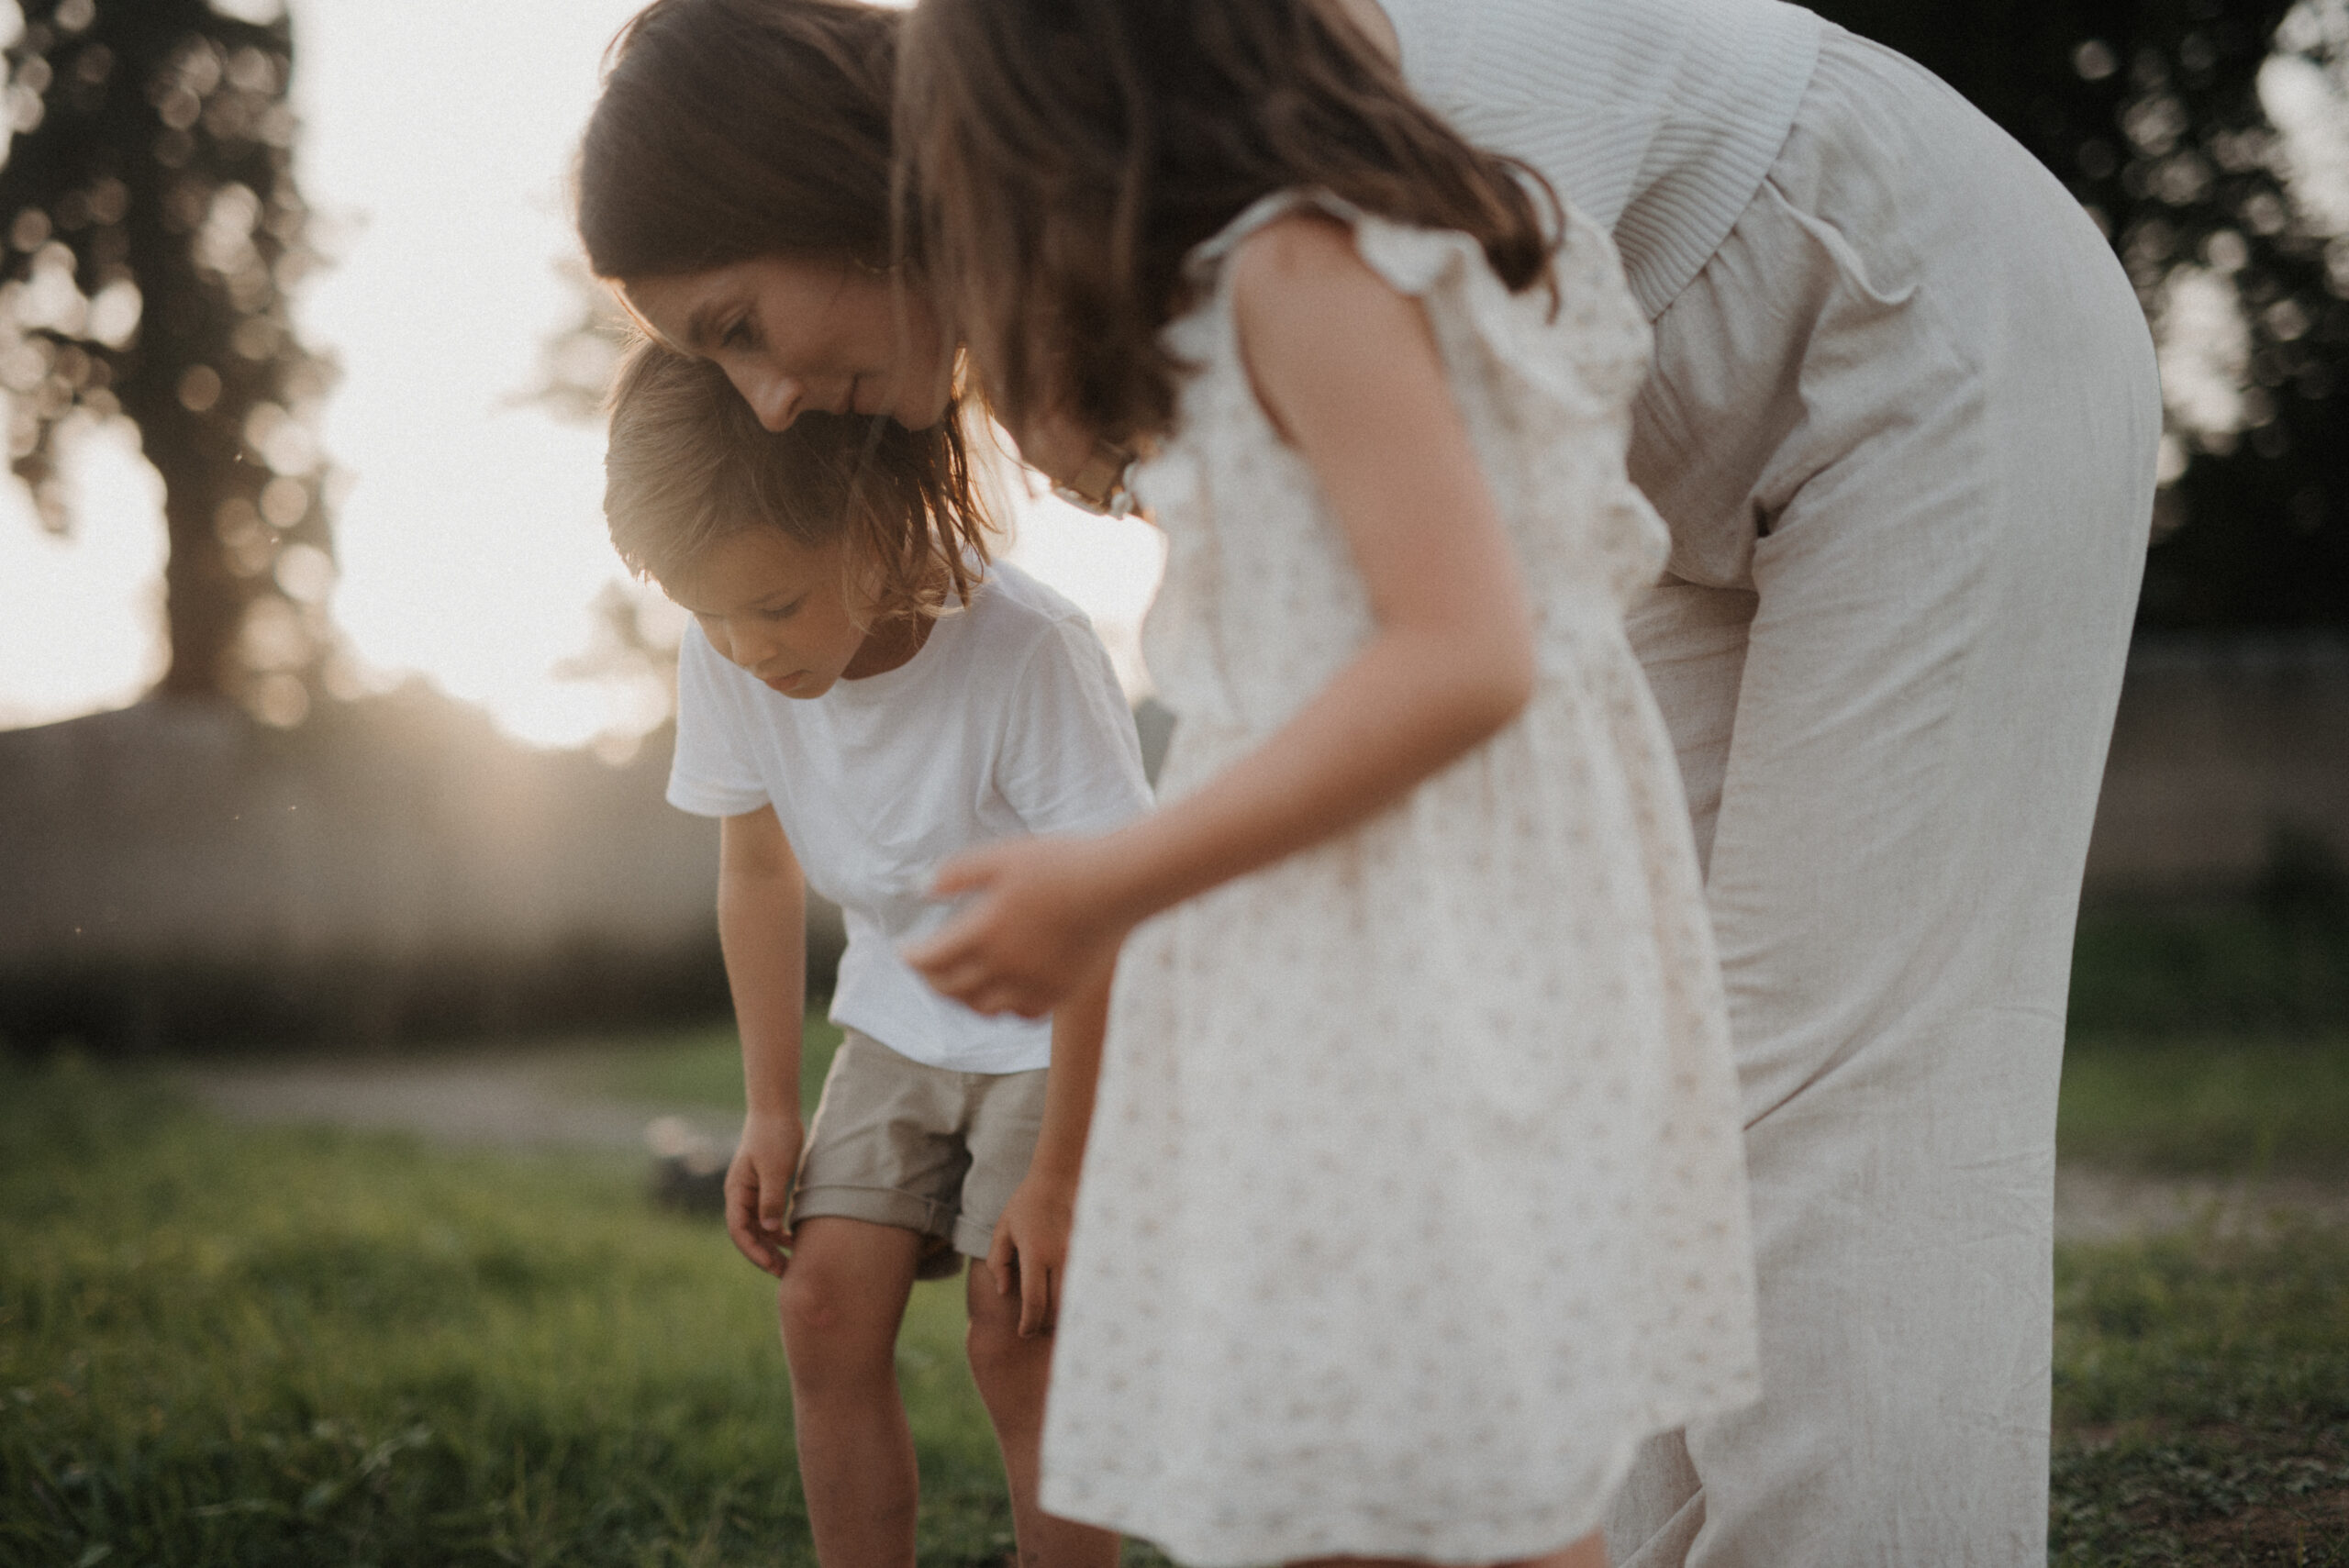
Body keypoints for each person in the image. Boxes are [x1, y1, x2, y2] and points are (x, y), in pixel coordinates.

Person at [576, 1, 2161, 1562]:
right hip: (1633, 500)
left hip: (1912, 321)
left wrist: (1142, 884)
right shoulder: (1106, 239)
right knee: (1644, 1108)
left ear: (826, 176)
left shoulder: (1236, 150)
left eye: (737, 325)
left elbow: (1434, 645)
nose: (764, 396)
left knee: (1823, 1091)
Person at [891, 1, 1761, 1563]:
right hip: (1371, 953)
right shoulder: (1300, 282)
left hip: (1422, 965)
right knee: (1377, 1433)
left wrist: (1111, 883)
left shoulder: (1298, 270)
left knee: (1455, 1448)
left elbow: (1466, 651)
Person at [602, 339, 1149, 1568]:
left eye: (776, 604)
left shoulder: (1029, 652)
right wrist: (770, 1108)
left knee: (1021, 1325)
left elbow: (1112, 914)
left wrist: (1058, 1180)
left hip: (1054, 1021)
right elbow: (757, 869)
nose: (745, 646)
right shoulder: (732, 654)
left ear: (883, 522)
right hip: (900, 1019)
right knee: (824, 1306)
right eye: (711, 612)